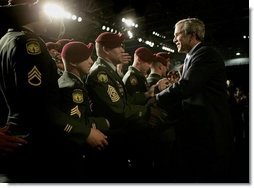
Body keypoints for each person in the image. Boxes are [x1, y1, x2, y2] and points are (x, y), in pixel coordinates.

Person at [155, 18, 234, 182]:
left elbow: (186, 87)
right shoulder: (191, 57)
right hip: (197, 131)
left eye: (177, 35)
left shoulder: (206, 55)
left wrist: (156, 98)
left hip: (209, 133)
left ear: (191, 35)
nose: (174, 39)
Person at [85, 32, 164, 182]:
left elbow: (124, 100)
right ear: (106, 50)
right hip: (109, 139)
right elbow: (119, 110)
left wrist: (146, 95)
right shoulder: (101, 73)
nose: (122, 50)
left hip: (116, 136)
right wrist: (147, 112)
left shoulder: (108, 70)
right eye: (118, 47)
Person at [0, 0, 64, 182]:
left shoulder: (5, 39)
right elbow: (37, 100)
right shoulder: (29, 42)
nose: (50, 19)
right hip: (32, 138)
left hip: (13, 133)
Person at [52, 41, 109, 181]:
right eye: (86, 57)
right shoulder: (73, 87)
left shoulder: (67, 81)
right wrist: (102, 123)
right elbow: (76, 121)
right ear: (73, 62)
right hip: (75, 152)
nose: (91, 61)